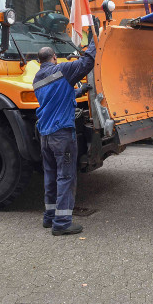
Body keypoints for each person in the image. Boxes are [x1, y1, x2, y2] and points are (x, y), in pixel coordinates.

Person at [33, 39, 95, 235]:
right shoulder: (62, 70)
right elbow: (87, 63)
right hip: (62, 135)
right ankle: (62, 223)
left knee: (51, 176)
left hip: (45, 134)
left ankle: (49, 217)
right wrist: (94, 40)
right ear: (54, 58)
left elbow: (55, 97)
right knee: (66, 177)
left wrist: (78, 92)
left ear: (39, 61)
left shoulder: (37, 78)